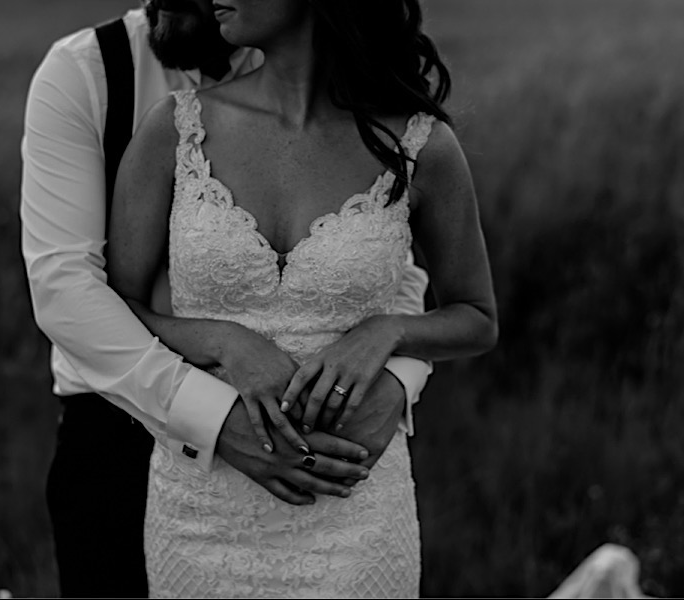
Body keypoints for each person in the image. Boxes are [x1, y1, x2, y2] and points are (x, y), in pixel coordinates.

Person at [20, 0, 434, 596]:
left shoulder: (322, 68)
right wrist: (216, 418)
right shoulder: (87, 70)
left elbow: (395, 269)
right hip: (116, 426)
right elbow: (64, 288)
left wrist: (396, 380)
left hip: (321, 437)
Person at [106, 0, 498, 596]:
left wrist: (386, 332)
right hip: (204, 512)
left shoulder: (420, 145)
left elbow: (477, 317)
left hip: (355, 512)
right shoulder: (177, 127)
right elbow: (117, 307)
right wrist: (221, 339)